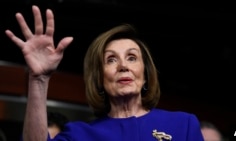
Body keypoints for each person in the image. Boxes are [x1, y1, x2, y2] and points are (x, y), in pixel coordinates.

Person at [5, 5, 204, 141]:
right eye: (111, 59)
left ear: (146, 74)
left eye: (132, 57)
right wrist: (38, 79)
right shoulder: (79, 135)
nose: (123, 66)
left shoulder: (183, 124)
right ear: (99, 78)